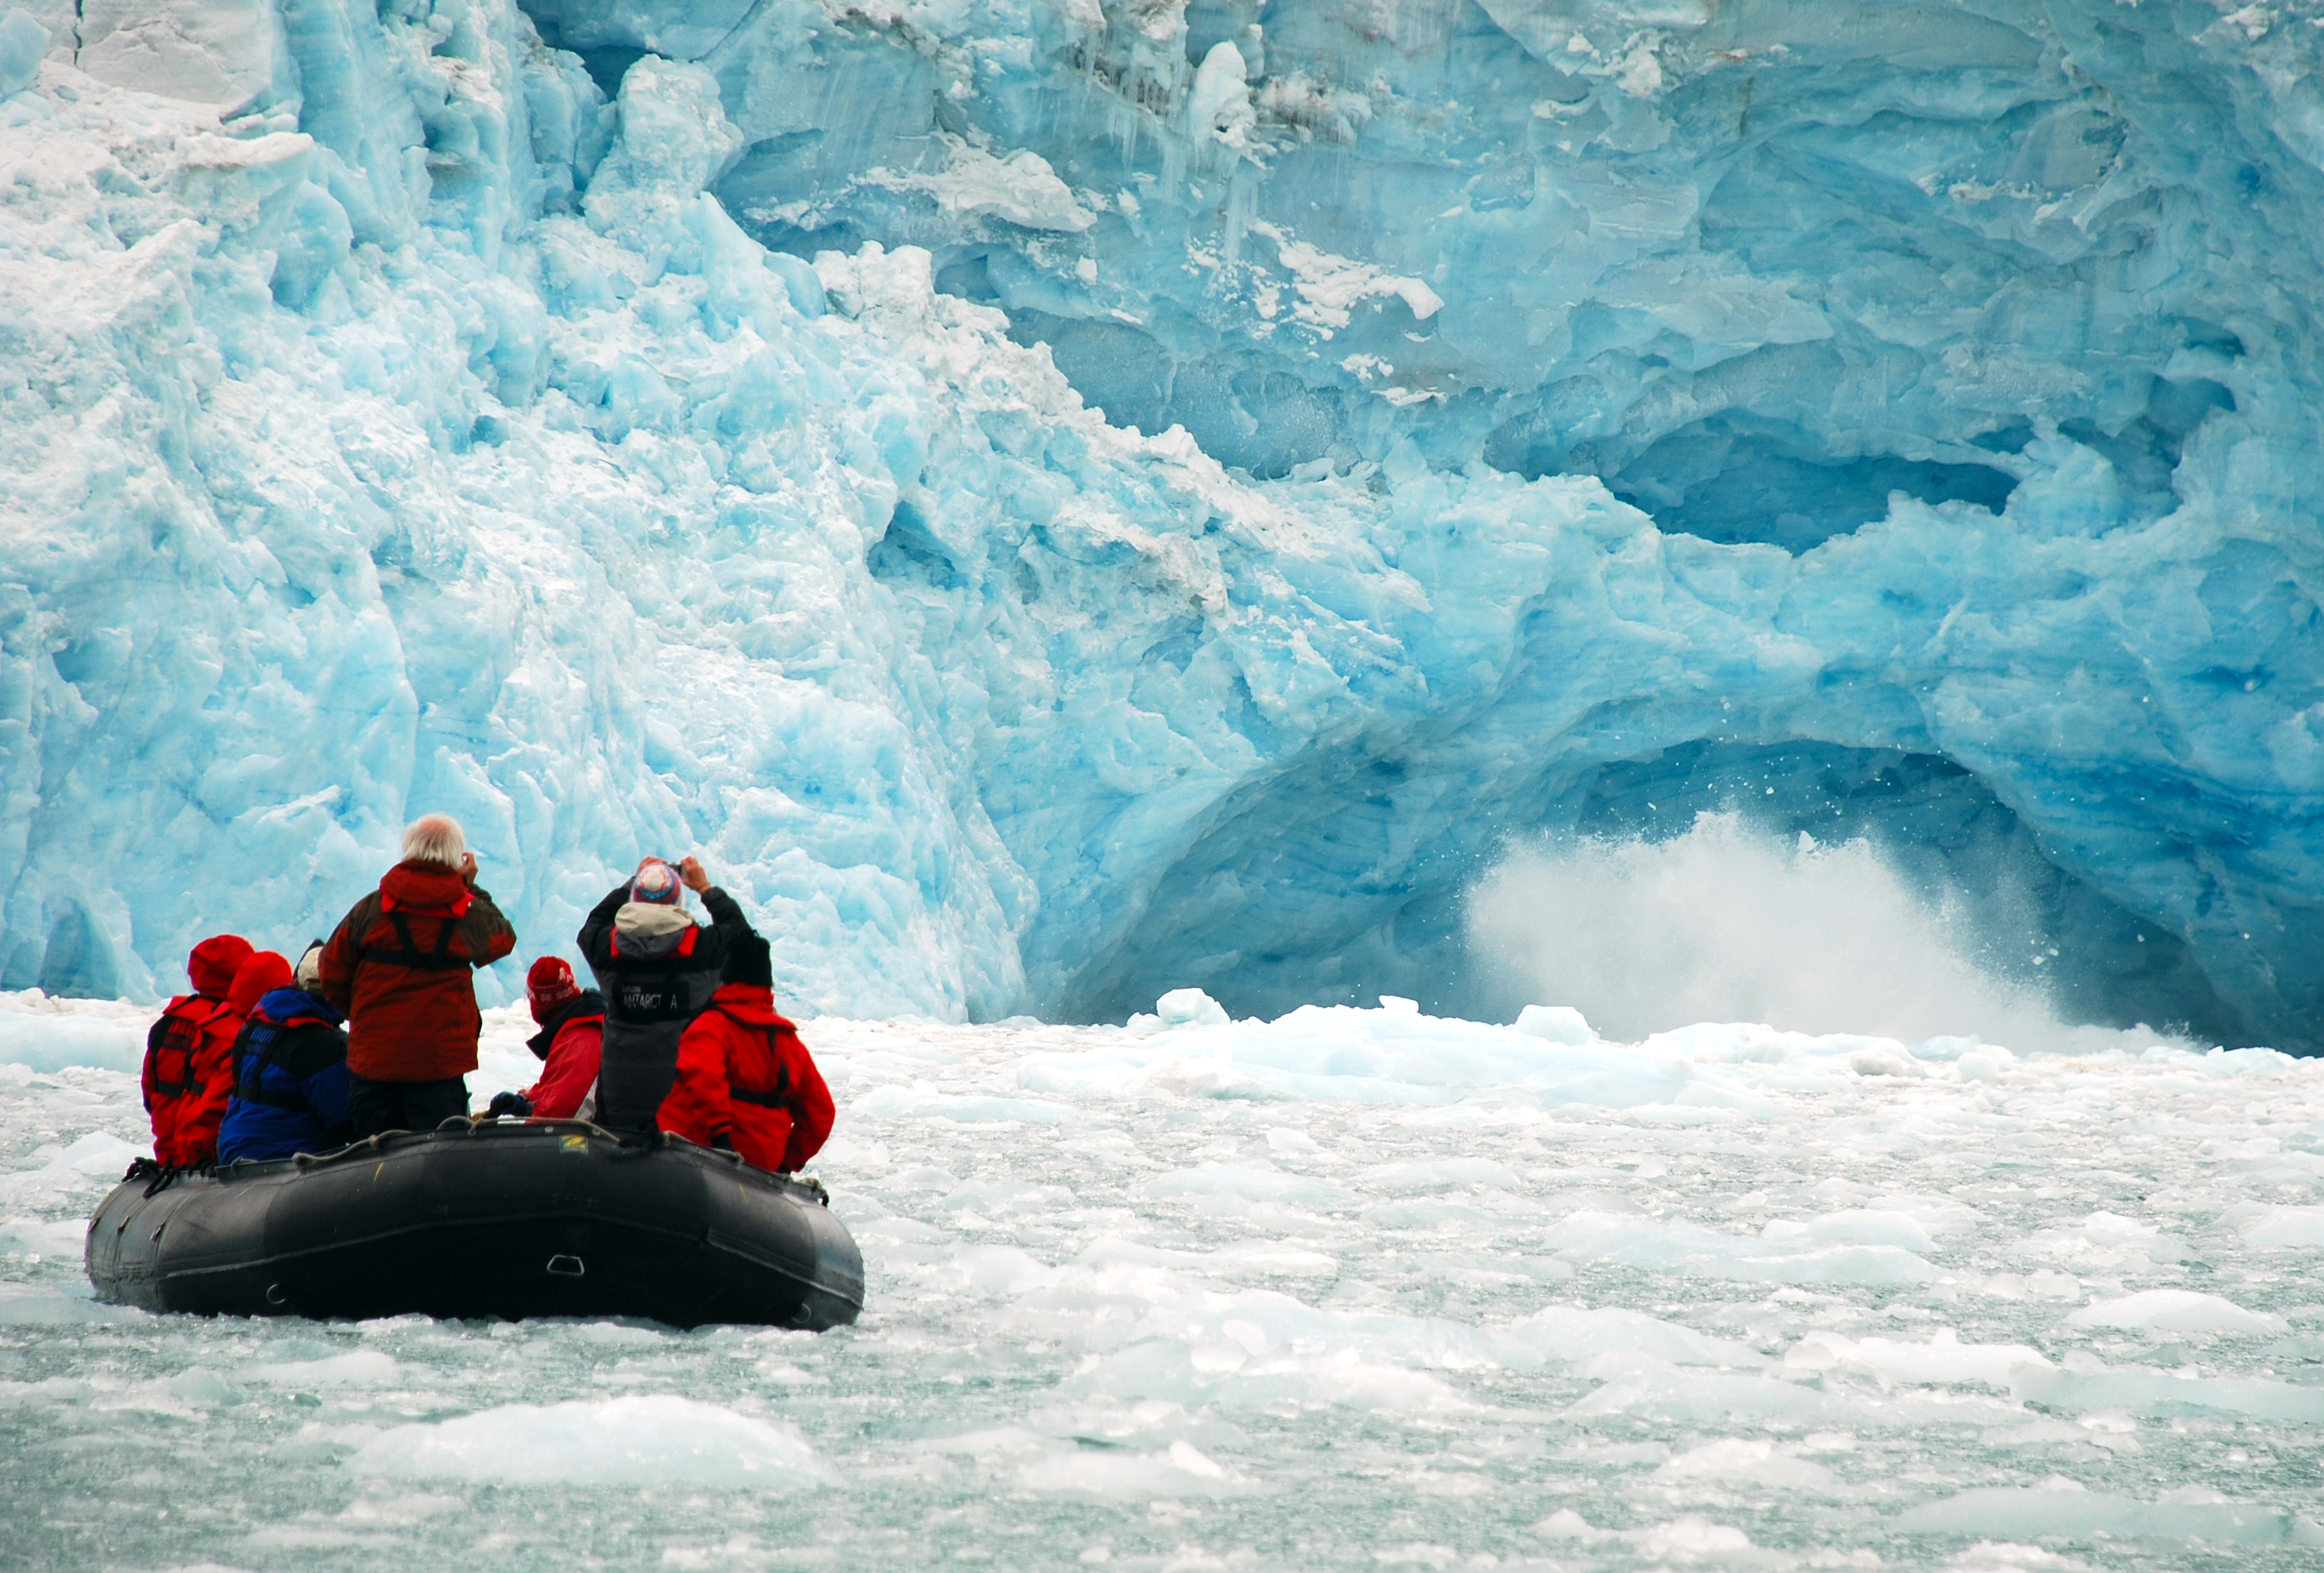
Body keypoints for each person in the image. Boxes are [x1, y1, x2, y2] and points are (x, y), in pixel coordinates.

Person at [320, 813, 516, 1138]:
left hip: (374, 1061)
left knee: (373, 1161)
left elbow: (333, 972)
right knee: (437, 1160)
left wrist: (364, 1018)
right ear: (456, 857)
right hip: (438, 1065)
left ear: (408, 849)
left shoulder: (370, 909)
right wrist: (470, 887)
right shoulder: (468, 913)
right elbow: (502, 941)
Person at [577, 855, 749, 1137]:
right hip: (680, 1103)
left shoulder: (608, 951)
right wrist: (705, 887)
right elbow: (740, 936)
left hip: (620, 1099)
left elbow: (593, 925)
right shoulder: (701, 950)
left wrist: (634, 881)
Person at [658, 931, 832, 1172]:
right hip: (762, 1169)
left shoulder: (711, 1027)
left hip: (693, 1158)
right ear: (767, 982)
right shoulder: (790, 1042)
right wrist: (785, 1164)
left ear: (725, 977)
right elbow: (821, 1114)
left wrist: (722, 1140)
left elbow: (705, 1079)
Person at [218, 943, 354, 1164]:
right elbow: (340, 1120)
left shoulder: (256, 1021)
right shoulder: (321, 1042)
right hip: (285, 1154)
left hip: (233, 1145)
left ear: (297, 980)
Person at [142, 933, 254, 1167]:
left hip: (168, 1154)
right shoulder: (229, 1030)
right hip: (208, 1159)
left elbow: (150, 1093)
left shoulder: (166, 1024)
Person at [484, 956, 605, 1121]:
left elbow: (557, 1118)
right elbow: (561, 1086)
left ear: (539, 1008)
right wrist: (526, 1101)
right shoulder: (582, 1027)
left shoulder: (581, 1040)